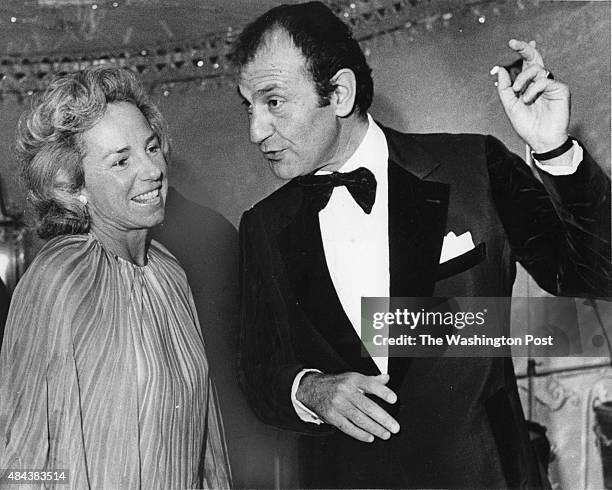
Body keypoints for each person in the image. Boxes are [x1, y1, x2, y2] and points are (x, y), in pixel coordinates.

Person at [233, 2, 611, 488]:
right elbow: (258, 372)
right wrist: (308, 389)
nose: (256, 131)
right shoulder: (262, 226)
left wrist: (555, 151)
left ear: (341, 93)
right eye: (249, 106)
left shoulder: (475, 166)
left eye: (273, 102)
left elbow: (593, 278)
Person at [0, 66, 231, 489]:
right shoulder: (59, 278)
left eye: (151, 147)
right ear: (73, 187)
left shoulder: (170, 272)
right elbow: (18, 464)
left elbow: (205, 454)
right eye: (121, 160)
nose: (152, 170)